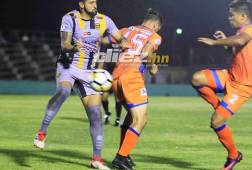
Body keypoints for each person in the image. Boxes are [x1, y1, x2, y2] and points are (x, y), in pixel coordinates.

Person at [33, 0, 129, 169]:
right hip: (68, 66)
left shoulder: (105, 20)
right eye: (91, 2)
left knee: (95, 115)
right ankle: (41, 132)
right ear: (82, 4)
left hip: (88, 72)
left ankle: (96, 159)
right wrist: (73, 48)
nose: (95, 5)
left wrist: (124, 44)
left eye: (96, 2)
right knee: (63, 91)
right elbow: (65, 44)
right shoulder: (70, 18)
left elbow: (121, 38)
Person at [192, 0, 252, 169]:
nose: (229, 18)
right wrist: (226, 43)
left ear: (243, 16)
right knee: (197, 78)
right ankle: (218, 105)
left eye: (232, 15)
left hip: (242, 87)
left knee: (216, 122)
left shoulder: (251, 30)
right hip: (229, 77)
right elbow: (236, 47)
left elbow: (239, 41)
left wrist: (215, 42)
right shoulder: (240, 32)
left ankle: (234, 156)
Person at [109, 8, 163, 170]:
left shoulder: (126, 30)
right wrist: (153, 66)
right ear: (154, 25)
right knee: (141, 119)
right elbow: (147, 51)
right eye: (158, 28)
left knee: (132, 117)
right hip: (131, 77)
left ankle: (124, 154)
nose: (157, 30)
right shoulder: (155, 36)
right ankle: (120, 157)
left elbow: (107, 40)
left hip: (117, 75)